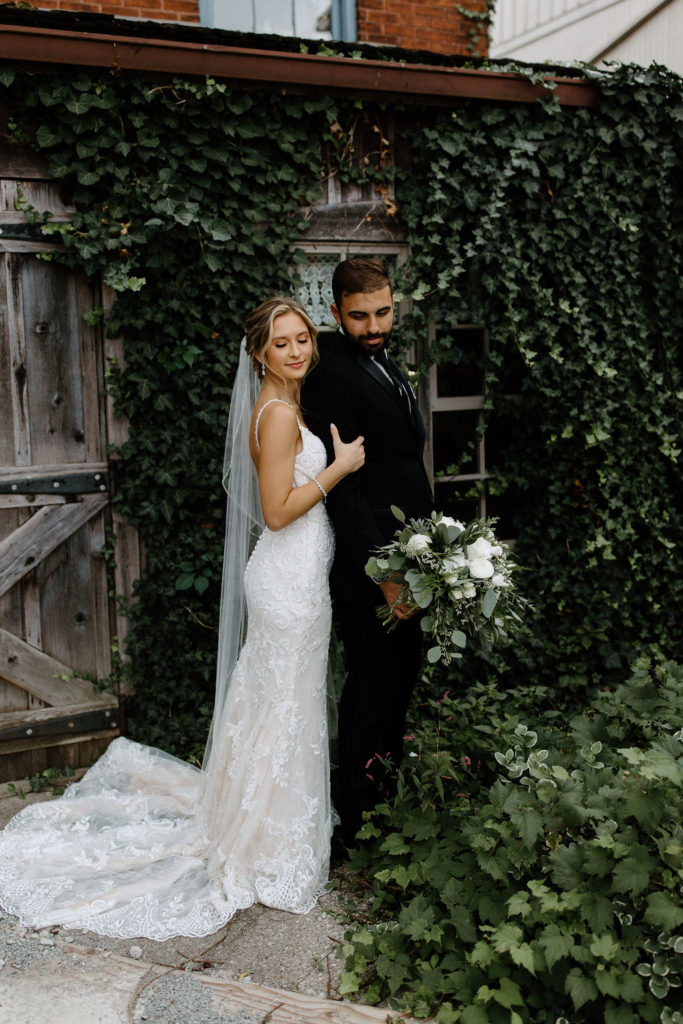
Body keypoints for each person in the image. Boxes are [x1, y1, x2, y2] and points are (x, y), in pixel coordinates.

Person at [0, 296, 365, 940]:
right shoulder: (278, 414)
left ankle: (266, 827)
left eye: (303, 338)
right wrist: (337, 468)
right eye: (282, 343)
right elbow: (279, 512)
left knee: (280, 703)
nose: (297, 350)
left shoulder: (283, 407)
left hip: (293, 577)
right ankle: (267, 846)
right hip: (287, 582)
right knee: (284, 703)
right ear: (260, 353)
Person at [302, 257, 433, 849]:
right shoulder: (333, 375)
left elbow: (400, 459)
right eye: (359, 316)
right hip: (371, 568)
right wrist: (383, 573)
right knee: (373, 685)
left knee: (397, 679)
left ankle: (383, 801)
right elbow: (345, 486)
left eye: (383, 311)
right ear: (336, 313)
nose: (374, 324)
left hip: (409, 553)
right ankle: (359, 825)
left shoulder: (380, 361)